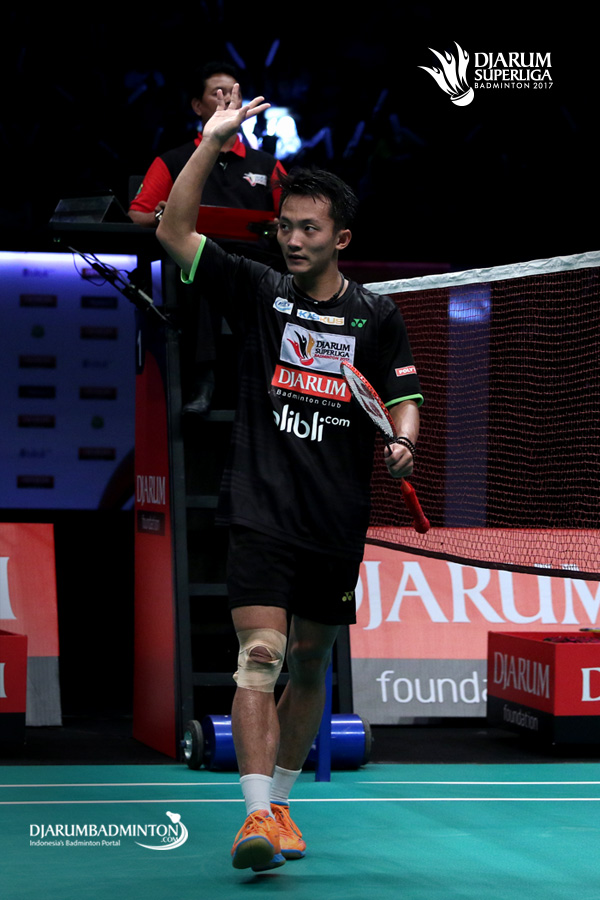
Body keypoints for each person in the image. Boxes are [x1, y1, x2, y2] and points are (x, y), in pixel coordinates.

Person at [157, 86, 422, 872]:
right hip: (261, 508)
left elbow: (403, 399)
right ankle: (251, 817)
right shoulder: (257, 290)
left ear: (342, 237)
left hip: (334, 519)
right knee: (262, 656)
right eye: (285, 226)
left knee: (309, 662)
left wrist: (403, 443)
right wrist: (211, 142)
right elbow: (173, 231)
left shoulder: (376, 316)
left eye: (309, 228)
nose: (294, 239)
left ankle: (278, 805)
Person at [129, 62, 286, 415]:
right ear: (197, 106)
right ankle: (205, 379)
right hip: (199, 255)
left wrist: (281, 227)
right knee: (201, 272)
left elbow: (294, 217)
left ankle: (270, 382)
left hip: (256, 259)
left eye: (233, 93)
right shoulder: (173, 160)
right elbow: (138, 214)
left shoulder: (267, 165)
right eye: (217, 93)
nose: (226, 99)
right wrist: (163, 214)